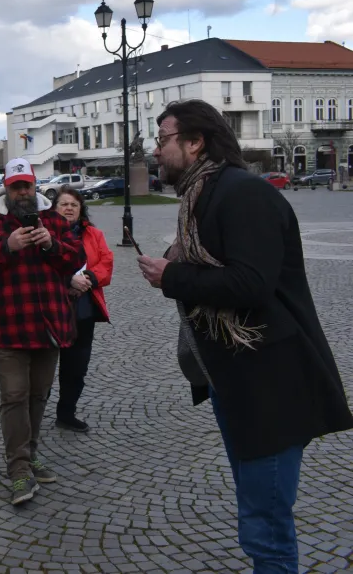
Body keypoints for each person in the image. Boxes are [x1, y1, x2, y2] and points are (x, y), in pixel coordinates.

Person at [138, 99, 353, 573]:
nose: (156, 151)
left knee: (266, 525)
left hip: (271, 385)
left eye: (164, 139)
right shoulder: (202, 195)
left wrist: (172, 276)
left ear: (195, 143)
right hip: (236, 381)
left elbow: (251, 284)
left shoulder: (241, 193)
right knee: (258, 513)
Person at [0, 158, 84, 506]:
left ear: (34, 185)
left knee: (38, 394)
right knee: (15, 395)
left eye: (26, 185)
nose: (21, 192)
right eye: (15, 186)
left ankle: (29, 454)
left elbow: (75, 258)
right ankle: (18, 470)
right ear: (6, 185)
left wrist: (50, 245)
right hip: (7, 327)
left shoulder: (54, 221)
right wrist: (7, 247)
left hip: (49, 325)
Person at [53, 189, 113, 433]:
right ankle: (31, 417)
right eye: (64, 204)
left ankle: (66, 413)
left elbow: (106, 264)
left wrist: (87, 278)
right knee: (43, 370)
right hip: (51, 310)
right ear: (54, 208)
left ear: (81, 208)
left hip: (83, 312)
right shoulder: (44, 235)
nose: (69, 208)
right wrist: (68, 281)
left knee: (76, 368)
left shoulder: (94, 234)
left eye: (74, 204)